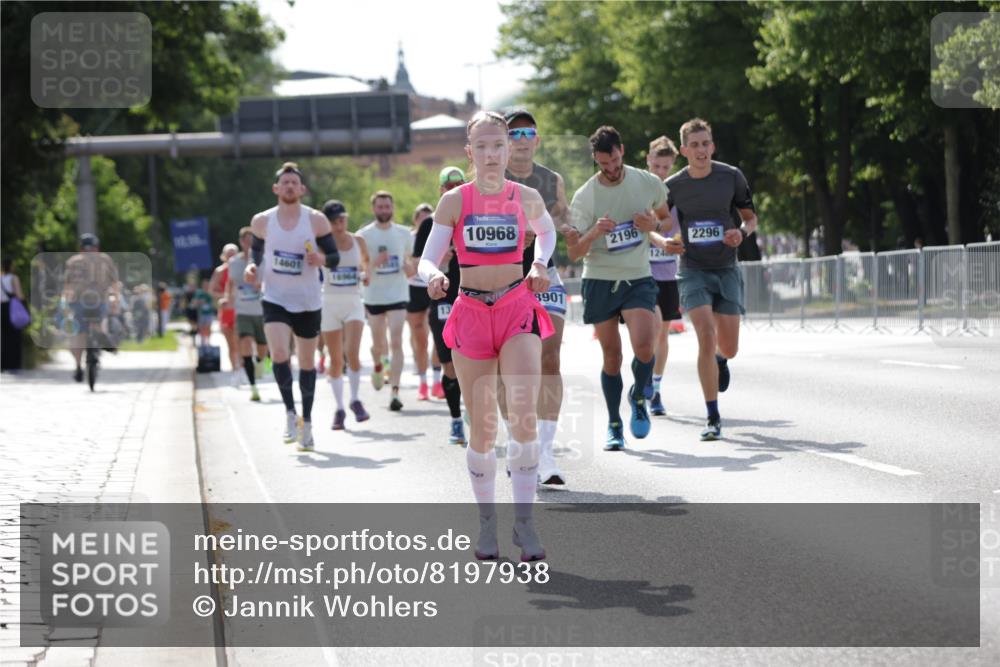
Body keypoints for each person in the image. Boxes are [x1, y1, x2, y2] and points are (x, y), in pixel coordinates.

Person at [418, 111, 557, 562]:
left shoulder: (526, 195)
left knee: (523, 415)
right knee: (482, 429)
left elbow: (547, 234)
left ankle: (525, 524)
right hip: (472, 312)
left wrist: (539, 263)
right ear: (470, 152)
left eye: (499, 145)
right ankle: (486, 523)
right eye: (483, 147)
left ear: (509, 148)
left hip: (517, 307)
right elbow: (426, 258)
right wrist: (435, 275)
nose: (493, 154)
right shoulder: (455, 202)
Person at [564, 125, 676, 451]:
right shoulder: (585, 197)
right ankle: (614, 423)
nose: (611, 170)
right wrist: (593, 234)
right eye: (603, 165)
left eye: (614, 161)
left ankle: (639, 395)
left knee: (645, 345)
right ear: (596, 162)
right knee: (612, 356)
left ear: (622, 151)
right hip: (599, 279)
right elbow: (574, 252)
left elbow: (667, 220)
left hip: (637, 276)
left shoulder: (647, 182)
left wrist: (653, 225)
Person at [665, 118, 758, 440]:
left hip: (726, 268)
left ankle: (721, 359)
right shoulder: (674, 186)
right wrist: (664, 241)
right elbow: (655, 223)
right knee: (705, 333)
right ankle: (712, 416)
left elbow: (750, 218)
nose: (701, 150)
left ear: (712, 146)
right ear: (683, 150)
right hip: (692, 269)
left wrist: (740, 233)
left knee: (728, 347)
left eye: (706, 144)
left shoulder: (731, 177)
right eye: (694, 145)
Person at [244, 162, 340, 452]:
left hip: (308, 300)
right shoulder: (262, 221)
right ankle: (289, 413)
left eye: (293, 183)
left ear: (302, 189)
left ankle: (307, 423)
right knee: (281, 354)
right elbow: (256, 252)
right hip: (275, 297)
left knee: (307, 363)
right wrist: (251, 266)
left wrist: (321, 260)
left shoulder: (316, 220)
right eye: (284, 182)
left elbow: (334, 256)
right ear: (276, 189)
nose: (288, 186)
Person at [501, 107, 572, 485]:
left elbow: (564, 218)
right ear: (505, 140)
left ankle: (544, 453)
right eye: (515, 134)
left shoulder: (551, 179)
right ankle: (518, 441)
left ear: (538, 140)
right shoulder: (489, 179)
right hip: (502, 279)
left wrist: (564, 227)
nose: (522, 141)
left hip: (546, 274)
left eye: (529, 134)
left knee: (551, 354)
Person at [415, 166, 466, 445]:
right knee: (448, 363)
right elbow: (416, 263)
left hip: (472, 295)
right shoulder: (430, 224)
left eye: (460, 185)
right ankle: (456, 419)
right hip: (444, 298)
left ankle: (473, 410)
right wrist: (439, 263)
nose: (455, 191)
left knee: (476, 360)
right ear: (441, 190)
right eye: (449, 187)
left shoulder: (474, 218)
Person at [357, 191, 415, 411]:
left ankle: (395, 391)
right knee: (378, 344)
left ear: (392, 208)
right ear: (374, 209)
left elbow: (411, 266)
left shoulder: (403, 233)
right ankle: (379, 364)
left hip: (398, 294)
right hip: (374, 296)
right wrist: (374, 263)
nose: (384, 210)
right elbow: (361, 269)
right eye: (380, 207)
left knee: (397, 341)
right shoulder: (363, 235)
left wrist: (409, 268)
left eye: (387, 206)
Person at [319, 199, 371, 429]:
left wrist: (366, 274)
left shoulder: (358, 240)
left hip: (353, 302)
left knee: (353, 352)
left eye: (342, 219)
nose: (340, 224)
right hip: (329, 303)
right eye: (334, 221)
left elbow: (366, 264)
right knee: (336, 358)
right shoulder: (321, 244)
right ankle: (339, 408)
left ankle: (355, 400)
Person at [644, 135, 683, 417]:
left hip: (668, 274)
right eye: (656, 166)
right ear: (648, 161)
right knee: (651, 331)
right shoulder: (637, 192)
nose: (660, 172)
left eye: (666, 167)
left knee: (663, 334)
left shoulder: (676, 195)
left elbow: (683, 228)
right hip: (641, 275)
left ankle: (655, 389)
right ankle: (644, 380)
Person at [62, 234, 120, 382]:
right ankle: (104, 339)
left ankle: (77, 366)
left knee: (77, 335)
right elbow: (114, 282)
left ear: (81, 248)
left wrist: (65, 303)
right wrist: (116, 301)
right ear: (97, 247)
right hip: (99, 301)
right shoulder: (105, 259)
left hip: (78, 302)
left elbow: (67, 286)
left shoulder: (73, 261)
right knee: (101, 323)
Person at [227, 227, 270, 402]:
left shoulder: (264, 260)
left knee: (262, 347)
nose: (249, 244)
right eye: (246, 240)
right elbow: (230, 284)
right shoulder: (234, 262)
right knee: (244, 343)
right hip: (242, 310)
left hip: (262, 310)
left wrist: (261, 286)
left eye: (252, 240)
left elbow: (270, 281)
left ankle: (260, 362)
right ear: (241, 242)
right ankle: (253, 387)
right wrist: (227, 299)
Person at [406, 202, 435, 401]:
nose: (426, 222)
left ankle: (438, 378)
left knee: (439, 333)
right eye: (421, 218)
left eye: (428, 218)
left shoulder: (438, 235)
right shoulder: (409, 239)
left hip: (433, 287)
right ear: (416, 220)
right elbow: (406, 261)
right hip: (414, 288)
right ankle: (423, 382)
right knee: (420, 336)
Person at [210, 243, 240, 381]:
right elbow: (211, 290)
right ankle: (235, 369)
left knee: (241, 341)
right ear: (224, 256)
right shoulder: (220, 271)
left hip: (241, 310)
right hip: (226, 311)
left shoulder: (243, 268)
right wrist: (225, 296)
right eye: (228, 254)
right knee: (231, 344)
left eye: (233, 253)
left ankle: (244, 369)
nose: (231, 256)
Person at [1, 258, 25, 371]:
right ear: (11, 266)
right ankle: (13, 364)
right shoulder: (13, 278)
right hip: (12, 308)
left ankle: (4, 363)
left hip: (2, 308)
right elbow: (19, 295)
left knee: (4, 337)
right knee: (14, 337)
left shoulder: (1, 278)